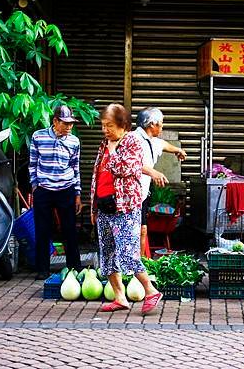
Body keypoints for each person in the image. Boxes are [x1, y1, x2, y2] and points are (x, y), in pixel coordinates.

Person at [90, 103, 163, 313]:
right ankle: (120, 297)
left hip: (125, 207)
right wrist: (94, 207)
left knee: (128, 254)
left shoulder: (132, 142)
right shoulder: (105, 143)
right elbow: (97, 175)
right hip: (104, 206)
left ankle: (151, 291)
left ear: (123, 125)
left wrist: (113, 152)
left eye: (109, 126)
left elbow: (126, 169)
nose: (105, 130)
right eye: (103, 126)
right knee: (108, 254)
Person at [29, 105, 82, 280]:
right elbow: (33, 164)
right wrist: (35, 186)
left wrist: (77, 193)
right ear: (55, 121)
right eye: (65, 123)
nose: (69, 127)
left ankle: (74, 267)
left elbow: (76, 168)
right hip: (43, 190)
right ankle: (42, 269)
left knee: (69, 230)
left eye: (71, 124)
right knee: (42, 230)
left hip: (66, 189)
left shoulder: (74, 141)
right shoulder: (38, 136)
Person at [134, 107, 187, 256]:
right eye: (161, 124)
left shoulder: (152, 140)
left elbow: (164, 144)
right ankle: (132, 265)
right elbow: (131, 163)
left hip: (142, 194)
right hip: (131, 194)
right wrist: (153, 172)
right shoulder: (133, 139)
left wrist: (178, 150)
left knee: (142, 229)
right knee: (135, 231)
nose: (162, 127)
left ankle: (141, 264)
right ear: (152, 124)